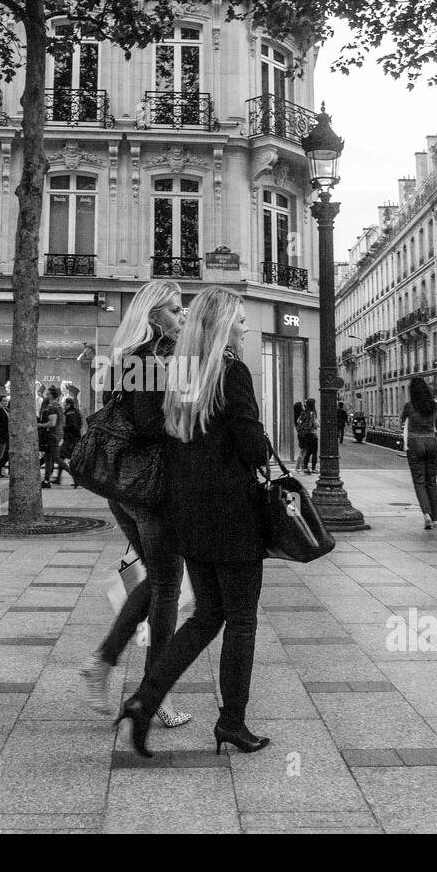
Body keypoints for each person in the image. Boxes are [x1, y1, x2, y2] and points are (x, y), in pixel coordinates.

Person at [115, 286, 269, 758]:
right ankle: (232, 723)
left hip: (190, 518)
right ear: (223, 325)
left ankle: (145, 700)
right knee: (240, 620)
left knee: (206, 617)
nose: (245, 326)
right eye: (240, 319)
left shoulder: (179, 376)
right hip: (234, 517)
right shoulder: (232, 372)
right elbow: (252, 449)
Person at [80, 280, 191, 729]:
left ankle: (107, 665)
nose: (183, 317)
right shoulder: (146, 360)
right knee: (167, 586)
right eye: (176, 310)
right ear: (154, 316)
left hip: (124, 489)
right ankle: (151, 693)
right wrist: (184, 417)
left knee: (158, 581)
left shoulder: (129, 359)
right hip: (148, 488)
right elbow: (147, 426)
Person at [401, 377, 437, 530]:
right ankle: (436, 518)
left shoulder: (409, 406)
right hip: (431, 442)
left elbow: (403, 422)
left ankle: (426, 513)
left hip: (415, 443)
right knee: (432, 481)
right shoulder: (434, 405)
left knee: (419, 481)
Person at [38, 386, 64, 487]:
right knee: (48, 457)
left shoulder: (52, 407)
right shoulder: (58, 406)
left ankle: (75, 475)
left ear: (52, 395)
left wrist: (40, 425)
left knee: (56, 458)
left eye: (48, 394)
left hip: (52, 435)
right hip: (54, 434)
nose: (46, 395)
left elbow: (52, 423)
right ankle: (46, 480)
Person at [60, 386, 83, 488]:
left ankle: (77, 479)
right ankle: (58, 477)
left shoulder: (70, 413)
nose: (64, 406)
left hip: (71, 440)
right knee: (61, 457)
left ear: (68, 405)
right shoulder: (76, 411)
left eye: (65, 404)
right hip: (73, 439)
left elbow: (73, 426)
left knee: (63, 458)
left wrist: (64, 428)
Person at [296, 396, 319, 473]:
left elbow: (298, 421)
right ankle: (313, 468)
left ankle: (305, 467)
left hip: (306, 434)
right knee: (314, 452)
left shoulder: (304, 412)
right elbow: (315, 424)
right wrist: (318, 424)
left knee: (308, 452)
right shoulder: (313, 413)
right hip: (312, 433)